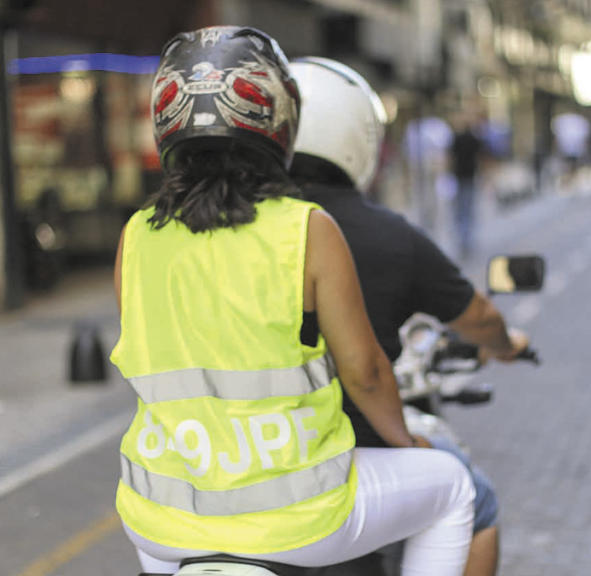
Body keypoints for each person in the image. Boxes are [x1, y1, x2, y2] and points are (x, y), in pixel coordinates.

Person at [111, 27, 475, 576]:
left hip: (160, 521)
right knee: (451, 487)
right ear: (278, 121)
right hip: (298, 519)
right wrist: (408, 443)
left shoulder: (136, 236)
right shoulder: (306, 228)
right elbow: (366, 372)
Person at [289, 58, 529, 576]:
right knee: (474, 498)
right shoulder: (378, 233)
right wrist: (504, 345)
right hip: (349, 461)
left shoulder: (239, 228)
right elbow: (369, 371)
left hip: (231, 466)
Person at [450, 113, 483, 258]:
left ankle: (464, 237)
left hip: (460, 176)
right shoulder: (473, 138)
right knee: (467, 208)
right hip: (468, 176)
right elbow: (480, 156)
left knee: (461, 208)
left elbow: (451, 156)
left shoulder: (458, 138)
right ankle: (466, 238)